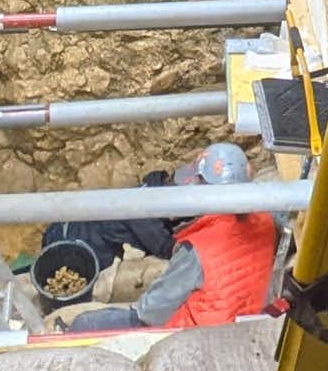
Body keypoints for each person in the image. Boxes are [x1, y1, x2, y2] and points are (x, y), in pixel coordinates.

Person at [80, 140, 281, 331]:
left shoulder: (197, 249)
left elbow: (151, 313)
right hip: (242, 314)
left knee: (86, 323)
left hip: (198, 333)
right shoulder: (266, 219)